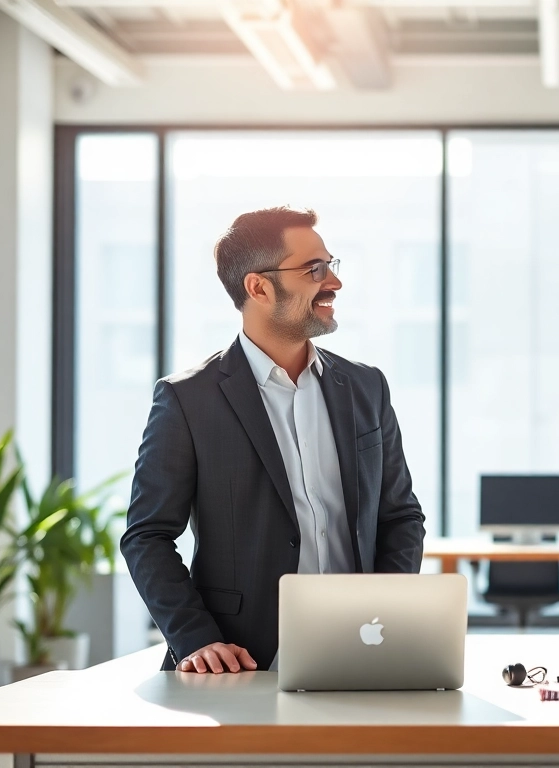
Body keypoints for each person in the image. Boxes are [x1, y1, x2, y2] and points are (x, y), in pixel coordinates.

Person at [122, 206, 425, 674]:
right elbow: (147, 535)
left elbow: (401, 515)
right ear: (259, 287)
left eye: (330, 265)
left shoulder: (366, 388)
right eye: (313, 269)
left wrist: (385, 615)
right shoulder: (187, 399)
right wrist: (195, 638)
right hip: (239, 662)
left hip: (361, 652)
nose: (334, 283)